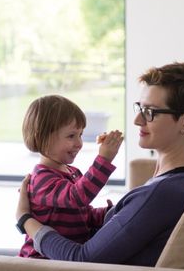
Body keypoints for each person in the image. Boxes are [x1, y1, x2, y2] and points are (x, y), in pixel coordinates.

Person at [15, 62, 184, 266]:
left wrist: (26, 221)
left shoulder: (162, 193)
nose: (137, 120)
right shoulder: (182, 179)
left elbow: (81, 260)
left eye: (150, 112)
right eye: (140, 108)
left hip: (64, 262)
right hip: (54, 255)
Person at [18, 95, 124, 258]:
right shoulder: (41, 178)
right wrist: (104, 160)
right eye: (71, 136)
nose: (79, 143)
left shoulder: (72, 172)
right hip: (41, 260)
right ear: (43, 137)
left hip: (65, 257)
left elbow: (84, 215)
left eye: (80, 135)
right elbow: (77, 197)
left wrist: (109, 212)